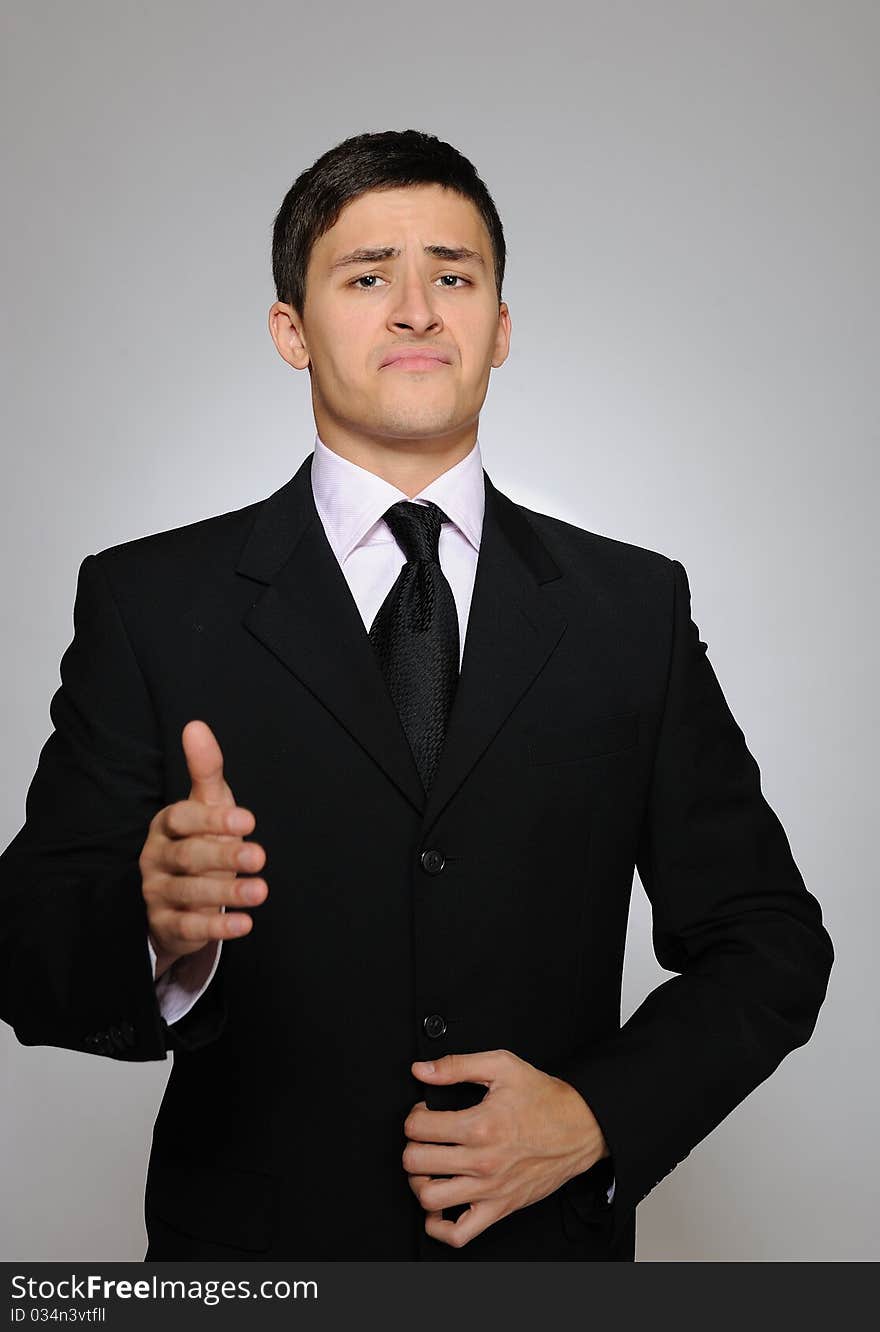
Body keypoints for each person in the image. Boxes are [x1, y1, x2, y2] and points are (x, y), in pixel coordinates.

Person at [0, 129, 834, 1262]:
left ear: (500, 325)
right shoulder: (150, 601)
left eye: (452, 275)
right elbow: (24, 954)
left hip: (542, 1267)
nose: (414, 309)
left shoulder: (629, 609)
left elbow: (769, 941)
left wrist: (596, 1118)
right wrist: (147, 920)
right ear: (290, 330)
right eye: (364, 276)